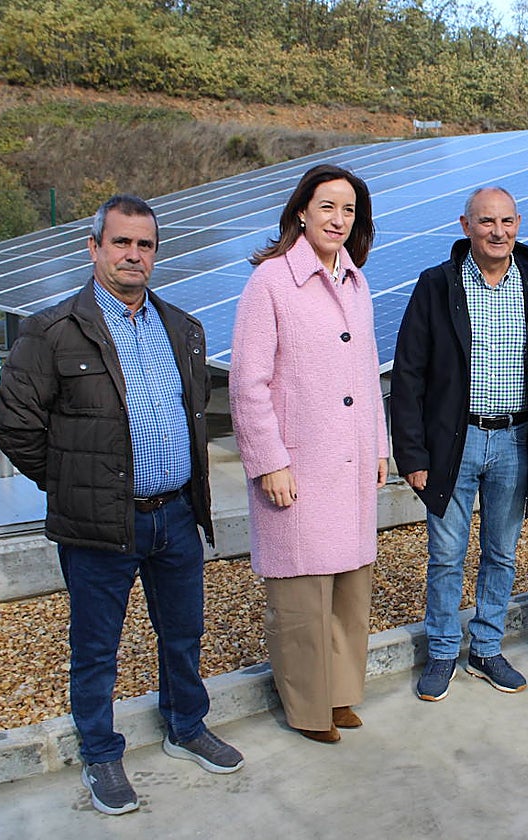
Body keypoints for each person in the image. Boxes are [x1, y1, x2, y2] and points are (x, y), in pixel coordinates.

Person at [0, 194, 243, 816]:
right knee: (97, 646)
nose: (134, 255)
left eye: (145, 245)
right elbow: (15, 426)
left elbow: (194, 418)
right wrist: (77, 483)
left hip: (177, 515)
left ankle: (187, 725)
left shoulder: (183, 328)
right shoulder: (51, 331)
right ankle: (101, 753)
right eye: (122, 242)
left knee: (183, 633)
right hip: (102, 522)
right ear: (95, 248)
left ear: (156, 253)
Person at [391, 186, 528, 702]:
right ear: (465, 225)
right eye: (486, 222)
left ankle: (487, 647)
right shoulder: (437, 285)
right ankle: (444, 650)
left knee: (502, 552)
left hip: (517, 441)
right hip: (456, 441)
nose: (498, 232)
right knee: (446, 553)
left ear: (519, 224)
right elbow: (409, 374)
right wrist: (412, 454)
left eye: (506, 222)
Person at [229, 164, 389, 744]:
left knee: (350, 589)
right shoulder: (270, 282)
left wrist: (379, 444)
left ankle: (340, 695)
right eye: (327, 207)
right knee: (301, 598)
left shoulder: (357, 280)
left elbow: (368, 373)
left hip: (350, 462)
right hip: (298, 464)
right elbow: (248, 383)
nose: (338, 220)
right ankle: (306, 708)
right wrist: (268, 461)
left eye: (348, 210)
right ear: (302, 210)